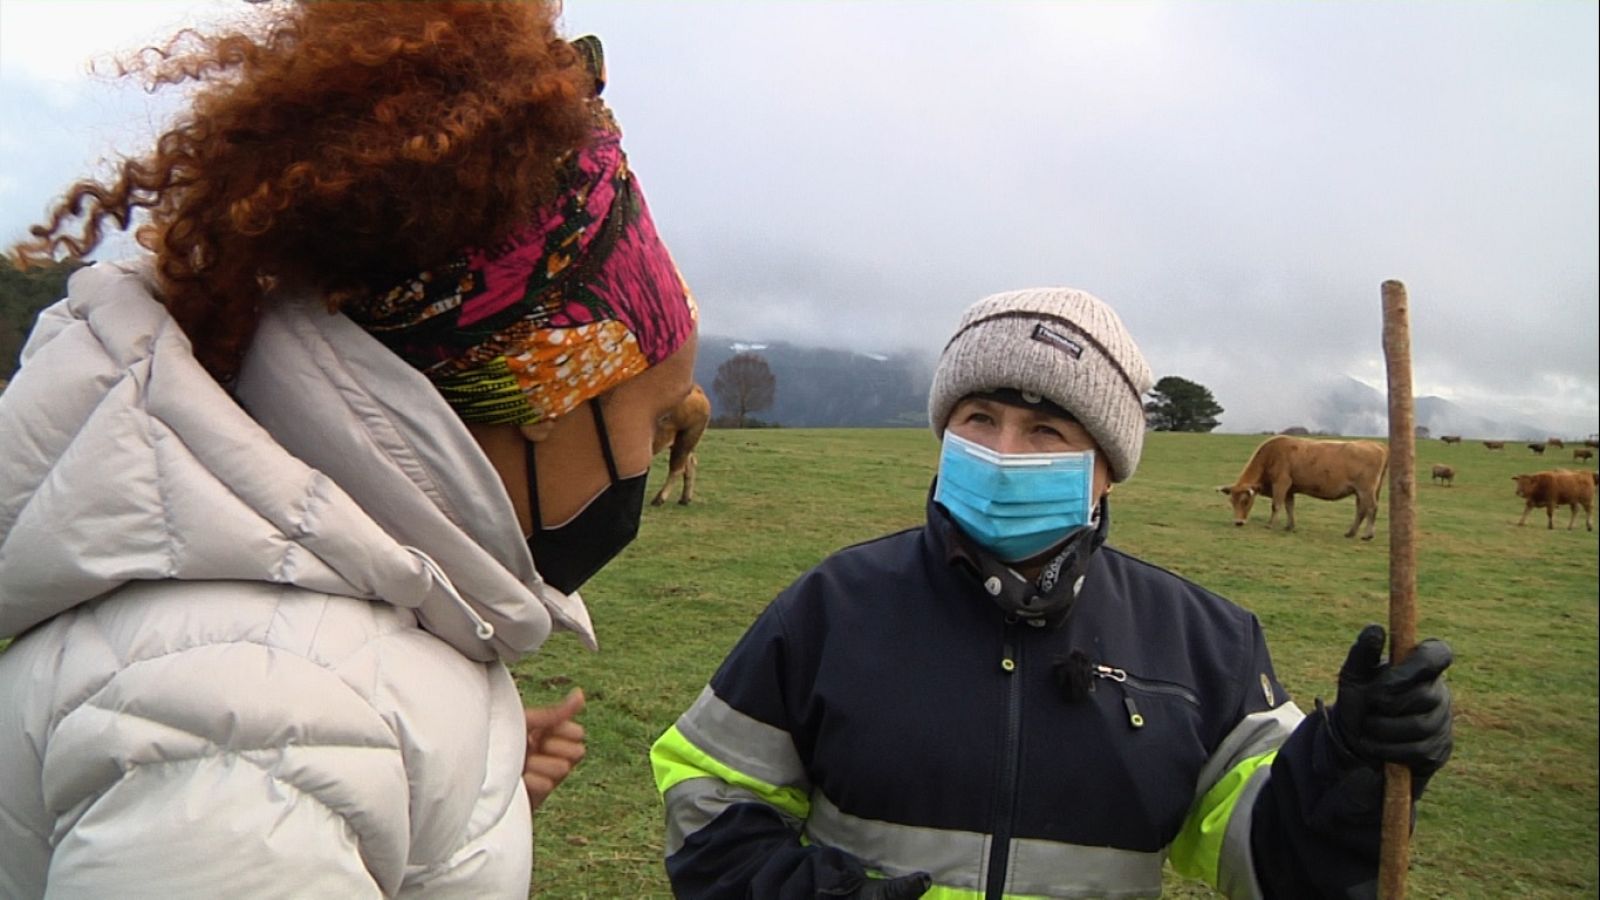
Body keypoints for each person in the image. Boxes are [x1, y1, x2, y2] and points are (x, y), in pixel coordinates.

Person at [0, 4, 696, 898]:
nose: (652, 454)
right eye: (654, 413)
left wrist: (453, 791)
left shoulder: (305, 691)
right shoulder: (254, 734)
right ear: (544, 403)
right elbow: (264, 780)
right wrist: (350, 757)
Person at [650, 287, 1453, 899]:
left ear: (1106, 466)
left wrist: (1345, 769)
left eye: (1047, 433)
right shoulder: (831, 607)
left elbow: (1271, 861)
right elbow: (706, 794)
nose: (1003, 451)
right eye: (978, 417)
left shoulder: (1207, 644)